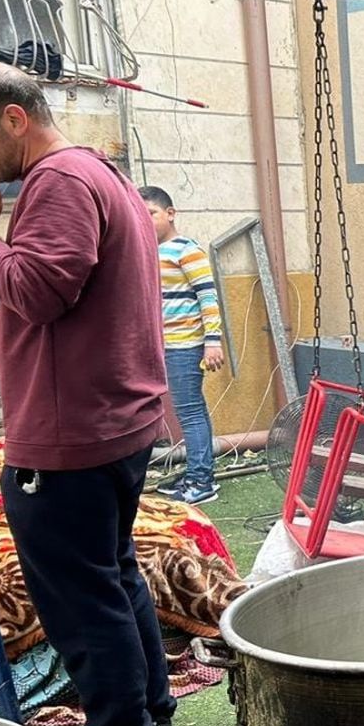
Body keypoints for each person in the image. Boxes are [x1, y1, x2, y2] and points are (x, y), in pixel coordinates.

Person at [0, 62, 176, 726]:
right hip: (111, 420)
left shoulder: (60, 182)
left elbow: (40, 290)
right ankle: (150, 721)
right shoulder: (94, 176)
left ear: (12, 120)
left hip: (72, 432)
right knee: (111, 575)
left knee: (79, 598)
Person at [140, 185, 225, 505]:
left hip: (186, 345)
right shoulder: (151, 253)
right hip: (164, 346)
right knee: (186, 409)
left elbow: (208, 297)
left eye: (151, 214)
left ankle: (202, 481)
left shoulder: (186, 250)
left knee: (190, 411)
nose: (145, 221)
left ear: (170, 214)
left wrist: (212, 342)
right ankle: (195, 471)